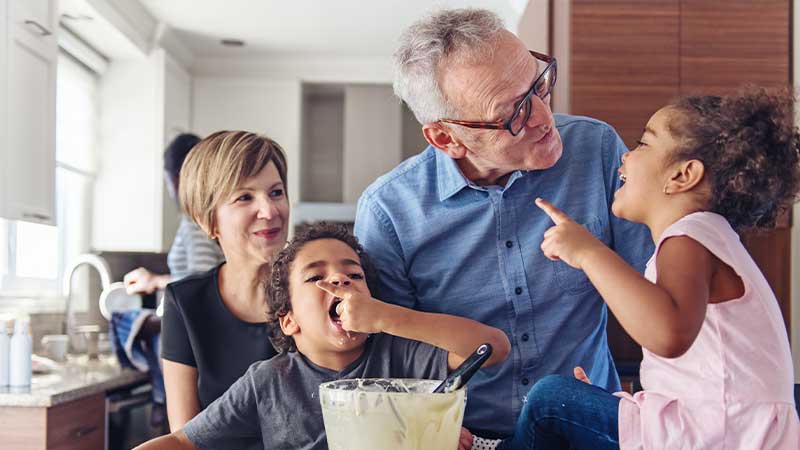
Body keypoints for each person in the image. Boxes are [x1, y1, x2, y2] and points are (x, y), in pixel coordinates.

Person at [354, 8, 652, 437]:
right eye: (512, 114)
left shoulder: (596, 148)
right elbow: (393, 353)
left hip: (589, 424)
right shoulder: (389, 213)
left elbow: (656, 288)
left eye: (539, 85)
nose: (543, 117)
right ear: (446, 138)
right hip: (467, 437)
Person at [512, 89, 800, 449]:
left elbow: (668, 335)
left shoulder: (689, 237)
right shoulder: (709, 239)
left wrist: (588, 251)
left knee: (548, 402)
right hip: (720, 428)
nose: (626, 157)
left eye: (642, 144)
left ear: (682, 175)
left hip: (717, 433)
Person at [134, 222, 511, 450]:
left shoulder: (403, 357)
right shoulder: (268, 383)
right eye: (315, 277)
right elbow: (183, 441)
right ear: (289, 321)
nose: (339, 280)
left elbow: (492, 347)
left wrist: (390, 318)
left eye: (354, 275)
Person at [160, 131, 289, 435]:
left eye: (276, 192)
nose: (269, 211)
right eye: (245, 197)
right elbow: (184, 439)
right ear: (208, 221)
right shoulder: (184, 303)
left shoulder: (316, 291)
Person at [123, 133, 224, 294]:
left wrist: (155, 281)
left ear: (177, 178)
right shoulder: (205, 216)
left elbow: (201, 280)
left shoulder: (196, 221)